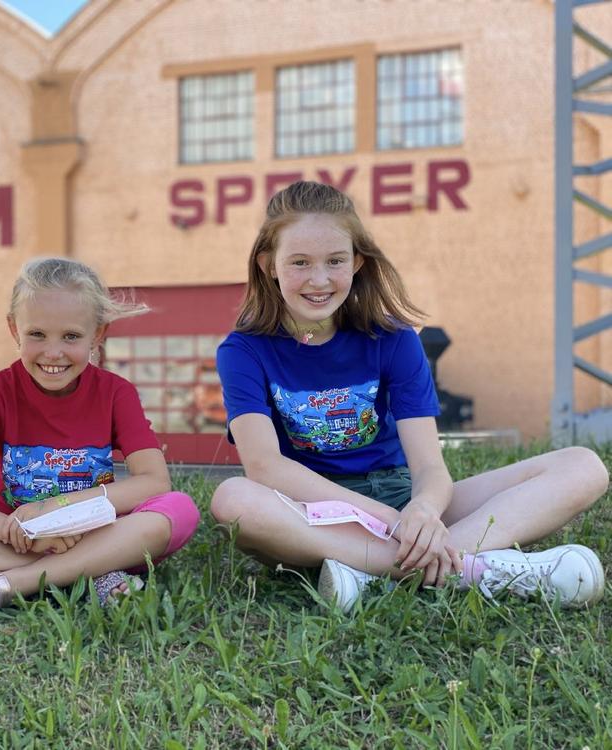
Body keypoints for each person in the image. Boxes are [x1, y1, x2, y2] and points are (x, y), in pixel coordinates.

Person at [211, 180, 607, 612]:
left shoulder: (393, 339)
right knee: (234, 500)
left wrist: (423, 511)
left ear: (357, 262)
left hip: (397, 492)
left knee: (582, 466)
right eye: (300, 262)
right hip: (311, 512)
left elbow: (430, 467)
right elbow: (265, 466)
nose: (319, 279)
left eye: (335, 261)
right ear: (269, 265)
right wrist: (390, 521)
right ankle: (471, 567)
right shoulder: (243, 351)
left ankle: (374, 573)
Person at [0, 257, 199, 619]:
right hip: (12, 541)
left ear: (97, 334)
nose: (53, 353)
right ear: (14, 329)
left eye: (71, 336)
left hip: (94, 534)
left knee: (179, 509)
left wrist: (55, 507)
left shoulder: (116, 393)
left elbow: (154, 481)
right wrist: (22, 531)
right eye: (37, 334)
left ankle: (0, 586)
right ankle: (94, 572)